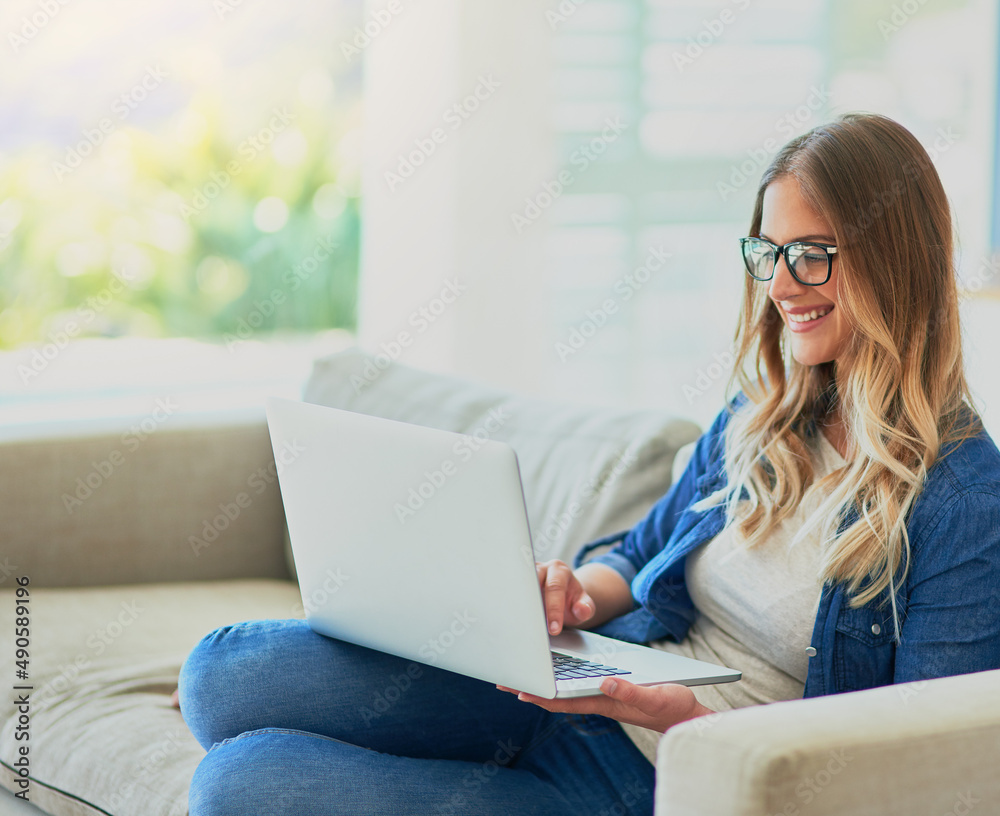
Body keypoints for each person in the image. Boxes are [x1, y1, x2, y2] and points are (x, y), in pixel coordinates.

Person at [177, 113, 1000, 815]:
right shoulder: (763, 416)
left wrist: (683, 719)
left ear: (894, 259)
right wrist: (575, 593)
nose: (782, 286)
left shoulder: (962, 502)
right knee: (222, 673)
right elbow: (640, 554)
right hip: (577, 688)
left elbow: (918, 775)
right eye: (768, 253)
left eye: (811, 254)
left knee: (241, 785)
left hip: (656, 779)